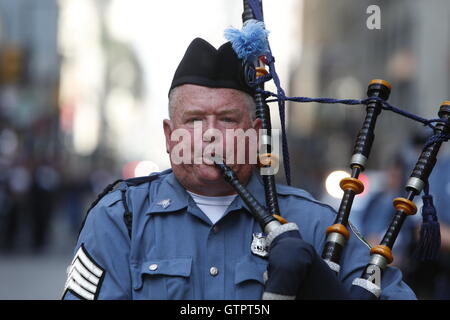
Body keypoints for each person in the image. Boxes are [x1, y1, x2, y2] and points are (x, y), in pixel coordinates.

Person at [62, 38, 416, 300]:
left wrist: (324, 289)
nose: (212, 135)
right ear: (171, 136)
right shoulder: (121, 218)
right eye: (195, 120)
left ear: (256, 133)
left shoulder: (312, 223)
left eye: (228, 120)